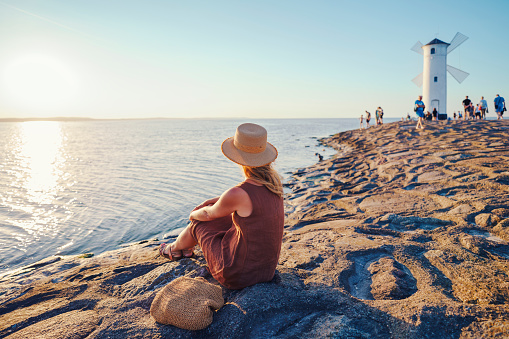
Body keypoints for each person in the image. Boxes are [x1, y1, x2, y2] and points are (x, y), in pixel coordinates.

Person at [159, 123, 284, 290]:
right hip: (266, 272)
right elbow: (245, 201)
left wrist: (193, 213)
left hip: (238, 276)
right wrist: (217, 200)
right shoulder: (274, 185)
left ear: (239, 159)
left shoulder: (238, 194)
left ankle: (172, 249)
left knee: (198, 224)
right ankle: (185, 249)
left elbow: (208, 215)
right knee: (227, 218)